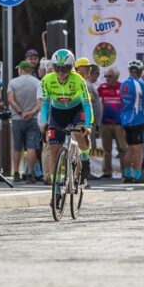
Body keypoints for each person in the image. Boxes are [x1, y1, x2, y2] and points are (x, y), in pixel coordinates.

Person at [40, 49, 94, 190]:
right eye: (57, 68)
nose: (61, 72)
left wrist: (88, 125)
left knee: (79, 133)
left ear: (71, 68)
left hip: (76, 110)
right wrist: (44, 121)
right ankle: (56, 188)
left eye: (65, 69)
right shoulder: (47, 80)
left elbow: (87, 104)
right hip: (58, 113)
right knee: (53, 150)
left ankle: (84, 158)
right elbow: (45, 103)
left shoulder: (78, 79)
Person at [8, 60, 41, 184]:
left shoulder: (13, 82)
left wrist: (21, 113)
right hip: (33, 118)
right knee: (32, 147)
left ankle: (16, 173)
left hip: (17, 118)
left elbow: (10, 100)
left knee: (17, 147)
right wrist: (31, 113)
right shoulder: (38, 83)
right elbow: (39, 103)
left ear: (21, 69)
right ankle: (30, 174)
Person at [120, 60, 144, 183]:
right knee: (138, 149)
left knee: (130, 149)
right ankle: (137, 175)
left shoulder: (123, 83)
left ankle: (127, 175)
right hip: (137, 120)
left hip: (126, 120)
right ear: (140, 71)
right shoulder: (139, 84)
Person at [97, 67, 126, 179]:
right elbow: (94, 100)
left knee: (122, 149)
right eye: (106, 76)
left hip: (119, 123)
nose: (107, 78)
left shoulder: (123, 87)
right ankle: (107, 171)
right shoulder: (102, 87)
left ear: (116, 77)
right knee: (106, 149)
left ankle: (125, 171)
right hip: (105, 123)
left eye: (110, 76)